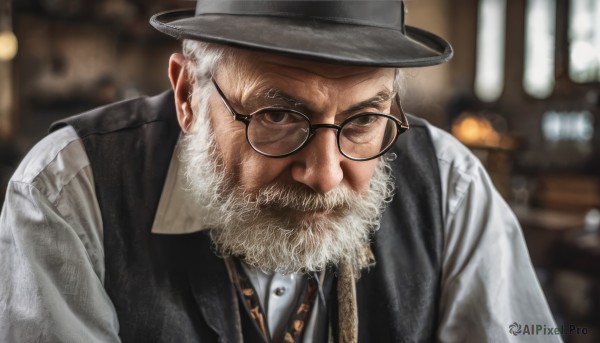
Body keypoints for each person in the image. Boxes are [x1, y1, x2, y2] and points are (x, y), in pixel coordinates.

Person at [0, 1, 559, 342]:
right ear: (188, 94)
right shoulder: (70, 189)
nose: (324, 174)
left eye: (364, 119)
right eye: (276, 115)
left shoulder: (450, 187)